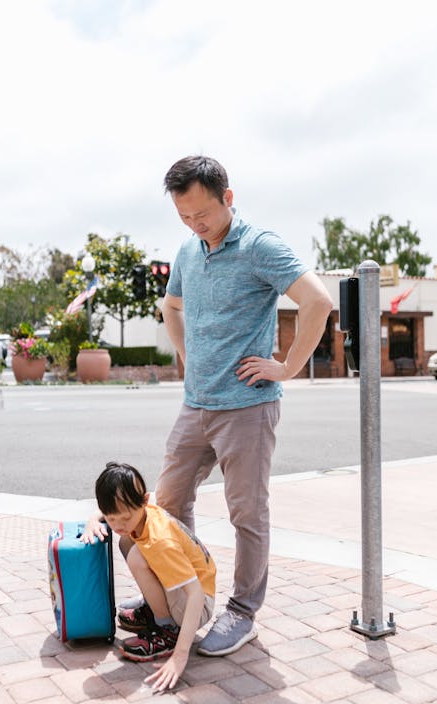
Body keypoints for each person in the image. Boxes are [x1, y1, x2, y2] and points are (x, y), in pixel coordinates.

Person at [154, 155, 333, 657]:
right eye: (184, 217)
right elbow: (171, 305)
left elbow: (317, 301)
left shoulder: (260, 246)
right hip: (196, 403)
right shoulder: (190, 250)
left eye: (203, 214)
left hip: (246, 409)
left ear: (227, 198)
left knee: (246, 515)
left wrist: (288, 367)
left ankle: (242, 612)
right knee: (168, 503)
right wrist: (186, 354)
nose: (195, 225)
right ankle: (188, 594)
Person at [81, 461, 216, 692]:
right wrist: (93, 520)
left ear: (144, 501)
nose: (118, 525)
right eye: (112, 519)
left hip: (197, 604)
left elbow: (194, 594)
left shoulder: (160, 541)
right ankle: (158, 611)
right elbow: (109, 511)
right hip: (187, 593)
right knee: (128, 541)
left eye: (125, 518)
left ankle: (167, 631)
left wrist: (180, 656)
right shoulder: (142, 513)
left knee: (137, 557)